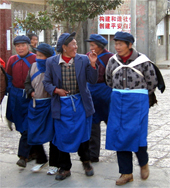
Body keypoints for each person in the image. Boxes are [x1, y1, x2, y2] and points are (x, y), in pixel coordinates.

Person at [105, 31, 165, 186]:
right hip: (118, 101)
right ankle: (126, 173)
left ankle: (143, 162)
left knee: (136, 133)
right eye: (115, 44)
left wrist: (136, 93)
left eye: (120, 44)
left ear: (129, 45)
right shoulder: (112, 61)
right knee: (119, 136)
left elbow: (151, 83)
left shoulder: (143, 61)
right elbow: (108, 80)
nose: (117, 47)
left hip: (137, 103)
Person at [43, 32, 98, 180]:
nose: (76, 46)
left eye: (76, 44)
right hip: (61, 104)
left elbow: (92, 81)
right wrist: (56, 90)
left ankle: (86, 162)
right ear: (64, 47)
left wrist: (93, 64)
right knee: (62, 136)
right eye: (73, 44)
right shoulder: (51, 62)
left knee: (83, 134)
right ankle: (65, 168)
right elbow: (46, 82)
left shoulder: (83, 60)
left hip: (80, 103)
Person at [24, 43, 59, 175]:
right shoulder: (33, 66)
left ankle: (54, 164)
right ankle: (41, 159)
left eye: (41, 56)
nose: (37, 58)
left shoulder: (54, 68)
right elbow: (27, 83)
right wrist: (30, 91)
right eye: (37, 55)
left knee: (52, 135)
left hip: (50, 105)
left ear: (49, 57)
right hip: (35, 105)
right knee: (33, 133)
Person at [6, 35, 37, 168]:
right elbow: (8, 77)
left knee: (27, 125)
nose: (20, 48)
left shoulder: (35, 59)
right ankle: (33, 152)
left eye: (23, 45)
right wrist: (9, 91)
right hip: (16, 96)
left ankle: (23, 156)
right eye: (18, 46)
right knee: (20, 124)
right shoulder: (12, 60)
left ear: (28, 45)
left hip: (30, 96)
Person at [85, 34, 113, 162]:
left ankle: (120, 148)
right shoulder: (87, 56)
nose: (91, 48)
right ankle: (93, 154)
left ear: (100, 46)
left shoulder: (111, 58)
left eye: (93, 45)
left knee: (112, 122)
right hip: (91, 92)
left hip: (106, 92)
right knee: (93, 124)